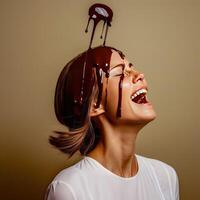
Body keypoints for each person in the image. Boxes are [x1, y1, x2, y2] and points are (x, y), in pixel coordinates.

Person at [44, 46, 179, 200]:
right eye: (121, 73)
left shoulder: (165, 177)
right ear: (95, 105)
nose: (139, 75)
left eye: (131, 67)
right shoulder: (69, 189)